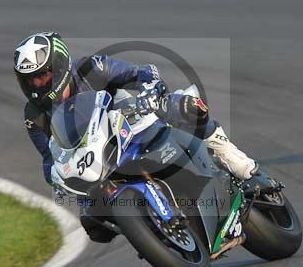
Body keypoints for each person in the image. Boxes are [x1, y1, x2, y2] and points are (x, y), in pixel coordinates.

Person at [15, 32, 259, 242]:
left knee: (183, 105)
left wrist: (149, 89)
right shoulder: (34, 114)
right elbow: (49, 156)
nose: (37, 84)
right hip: (97, 160)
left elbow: (140, 73)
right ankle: (149, 229)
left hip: (135, 123)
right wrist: (55, 178)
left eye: (43, 75)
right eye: (30, 80)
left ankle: (225, 150)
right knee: (94, 225)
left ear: (58, 66)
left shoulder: (90, 68)